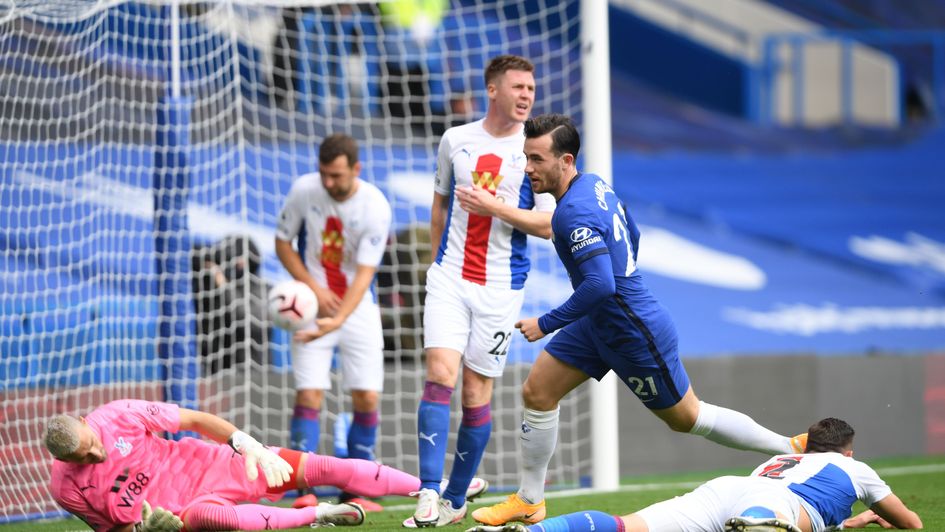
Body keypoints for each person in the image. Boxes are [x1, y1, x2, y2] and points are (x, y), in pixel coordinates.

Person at [472, 114, 806, 526]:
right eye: (526, 157)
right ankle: (529, 499)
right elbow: (632, 232)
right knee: (538, 391)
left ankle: (788, 447)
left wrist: (546, 322)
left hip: (633, 330)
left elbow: (601, 285)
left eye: (537, 159)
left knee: (687, 418)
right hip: (598, 322)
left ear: (566, 160)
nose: (528, 168)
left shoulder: (571, 214)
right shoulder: (593, 184)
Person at [408, 54, 555, 528]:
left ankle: (454, 500)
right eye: (518, 87)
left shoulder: (537, 150)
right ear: (493, 90)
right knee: (439, 375)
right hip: (450, 277)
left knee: (475, 393)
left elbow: (549, 224)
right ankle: (428, 492)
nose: (526, 95)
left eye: (530, 88)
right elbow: (439, 204)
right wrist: (436, 265)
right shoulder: (456, 139)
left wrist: (496, 208)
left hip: (500, 288)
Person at [466, 418, 923, 532]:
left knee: (626, 526)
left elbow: (817, 510)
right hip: (771, 504)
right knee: (770, 517)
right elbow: (911, 523)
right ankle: (758, 525)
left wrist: (852, 521)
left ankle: (540, 531)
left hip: (730, 489)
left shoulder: (781, 460)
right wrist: (879, 515)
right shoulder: (855, 468)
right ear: (848, 451)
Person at [44, 399, 430, 531]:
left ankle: (434, 488)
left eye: (93, 445)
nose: (96, 455)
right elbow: (111, 530)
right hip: (183, 512)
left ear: (84, 421)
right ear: (63, 461)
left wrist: (248, 445)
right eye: (84, 458)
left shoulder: (118, 414)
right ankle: (320, 514)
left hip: (209, 463)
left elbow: (195, 420)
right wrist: (144, 530)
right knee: (222, 519)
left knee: (325, 467)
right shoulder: (65, 489)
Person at [275, 133, 392, 511]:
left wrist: (339, 317)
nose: (328, 182)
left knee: (367, 396)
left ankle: (355, 490)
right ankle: (303, 490)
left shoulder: (375, 205)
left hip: (357, 309)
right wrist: (314, 290)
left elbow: (365, 274)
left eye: (336, 175)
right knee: (309, 394)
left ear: (356, 169)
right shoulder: (304, 190)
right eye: (323, 173)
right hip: (309, 308)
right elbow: (282, 243)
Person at [191, 234, 270, 375]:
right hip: (214, 373)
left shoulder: (262, 290)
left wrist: (222, 284)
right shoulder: (210, 289)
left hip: (252, 374)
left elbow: (252, 323)